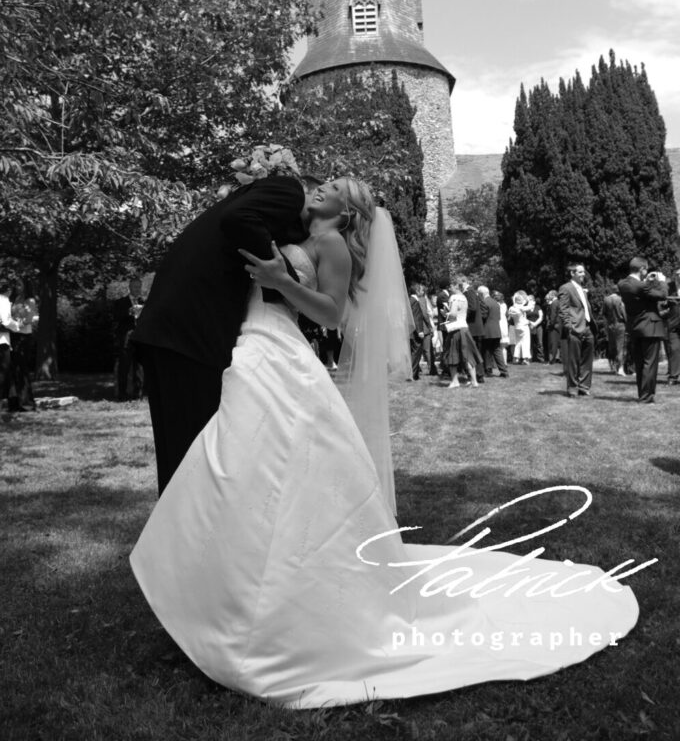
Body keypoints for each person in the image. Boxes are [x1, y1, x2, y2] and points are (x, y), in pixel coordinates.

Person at [130, 177, 638, 709]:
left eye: (332, 187)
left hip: (274, 338)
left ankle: (256, 595)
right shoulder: (299, 230)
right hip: (250, 340)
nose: (318, 186)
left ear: (348, 211)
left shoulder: (331, 246)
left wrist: (282, 278)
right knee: (239, 459)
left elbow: (330, 315)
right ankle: (222, 582)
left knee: (264, 458)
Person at [132, 171, 310, 494]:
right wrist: (284, 282)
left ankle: (178, 542)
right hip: (190, 335)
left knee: (182, 464)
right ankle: (185, 542)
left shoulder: (249, 202)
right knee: (194, 463)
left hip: (173, 329)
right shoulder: (291, 188)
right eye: (322, 188)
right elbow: (237, 218)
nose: (323, 193)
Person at [618, 257, 668, 404]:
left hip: (635, 327)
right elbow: (662, 295)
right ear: (641, 269)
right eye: (645, 269)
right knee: (650, 363)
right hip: (650, 326)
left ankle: (642, 393)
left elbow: (642, 293)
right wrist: (662, 280)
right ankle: (647, 396)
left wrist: (646, 279)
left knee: (640, 363)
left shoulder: (622, 284)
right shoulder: (641, 286)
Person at [558, 262, 595, 398]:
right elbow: (563, 310)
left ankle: (584, 387)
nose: (583, 274)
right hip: (575, 329)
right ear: (572, 274)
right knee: (573, 361)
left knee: (587, 360)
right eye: (580, 272)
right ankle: (572, 389)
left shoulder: (581, 288)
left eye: (583, 272)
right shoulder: (565, 288)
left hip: (588, 327)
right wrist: (570, 327)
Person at [112, 276, 145, 402]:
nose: (137, 289)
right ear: (130, 287)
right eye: (135, 286)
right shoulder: (120, 302)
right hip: (126, 339)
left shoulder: (144, 302)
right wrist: (129, 312)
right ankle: (122, 395)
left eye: (139, 287)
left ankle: (138, 395)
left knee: (139, 368)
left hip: (141, 338)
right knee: (124, 368)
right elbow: (116, 317)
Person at [442, 282, 481, 388]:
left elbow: (453, 315)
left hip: (455, 329)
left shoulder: (454, 298)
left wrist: (445, 314)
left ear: (456, 287)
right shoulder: (464, 298)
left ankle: (455, 381)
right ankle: (474, 381)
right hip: (464, 328)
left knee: (453, 355)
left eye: (451, 286)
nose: (449, 287)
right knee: (468, 355)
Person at [478, 285, 508, 377]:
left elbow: (483, 317)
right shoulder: (496, 303)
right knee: (497, 351)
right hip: (496, 330)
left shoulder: (484, 302)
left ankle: (488, 370)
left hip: (487, 330)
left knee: (486, 351)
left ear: (481, 294)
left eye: (479, 294)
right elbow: (498, 317)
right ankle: (504, 371)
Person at [602, 286, 627, 376]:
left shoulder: (606, 300)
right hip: (620, 325)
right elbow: (623, 313)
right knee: (620, 347)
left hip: (610, 325)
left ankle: (613, 367)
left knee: (612, 346)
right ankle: (620, 368)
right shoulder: (620, 300)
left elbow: (604, 313)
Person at [508, 291, 531, 364]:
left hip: (516, 327)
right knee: (526, 342)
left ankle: (516, 358)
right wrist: (528, 300)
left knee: (518, 343)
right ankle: (525, 359)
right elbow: (530, 307)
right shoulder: (521, 307)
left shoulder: (511, 308)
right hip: (523, 326)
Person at [666, 268, 680, 385]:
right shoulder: (668, 287)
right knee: (674, 349)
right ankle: (673, 376)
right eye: (678, 274)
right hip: (673, 324)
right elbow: (661, 303)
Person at [409, 284, 426, 380]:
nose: (423, 292)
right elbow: (415, 317)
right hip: (415, 332)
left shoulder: (410, 300)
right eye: (421, 290)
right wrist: (420, 331)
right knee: (416, 352)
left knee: (413, 352)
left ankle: (414, 373)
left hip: (411, 332)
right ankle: (413, 374)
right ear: (417, 291)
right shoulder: (415, 301)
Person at [526, 295, 544, 363]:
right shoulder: (526, 308)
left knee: (540, 342)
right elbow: (524, 318)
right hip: (529, 327)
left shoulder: (538, 307)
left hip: (538, 327)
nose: (528, 302)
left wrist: (535, 324)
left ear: (533, 301)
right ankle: (530, 358)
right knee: (529, 343)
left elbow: (541, 317)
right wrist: (531, 323)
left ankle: (540, 358)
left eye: (529, 300)